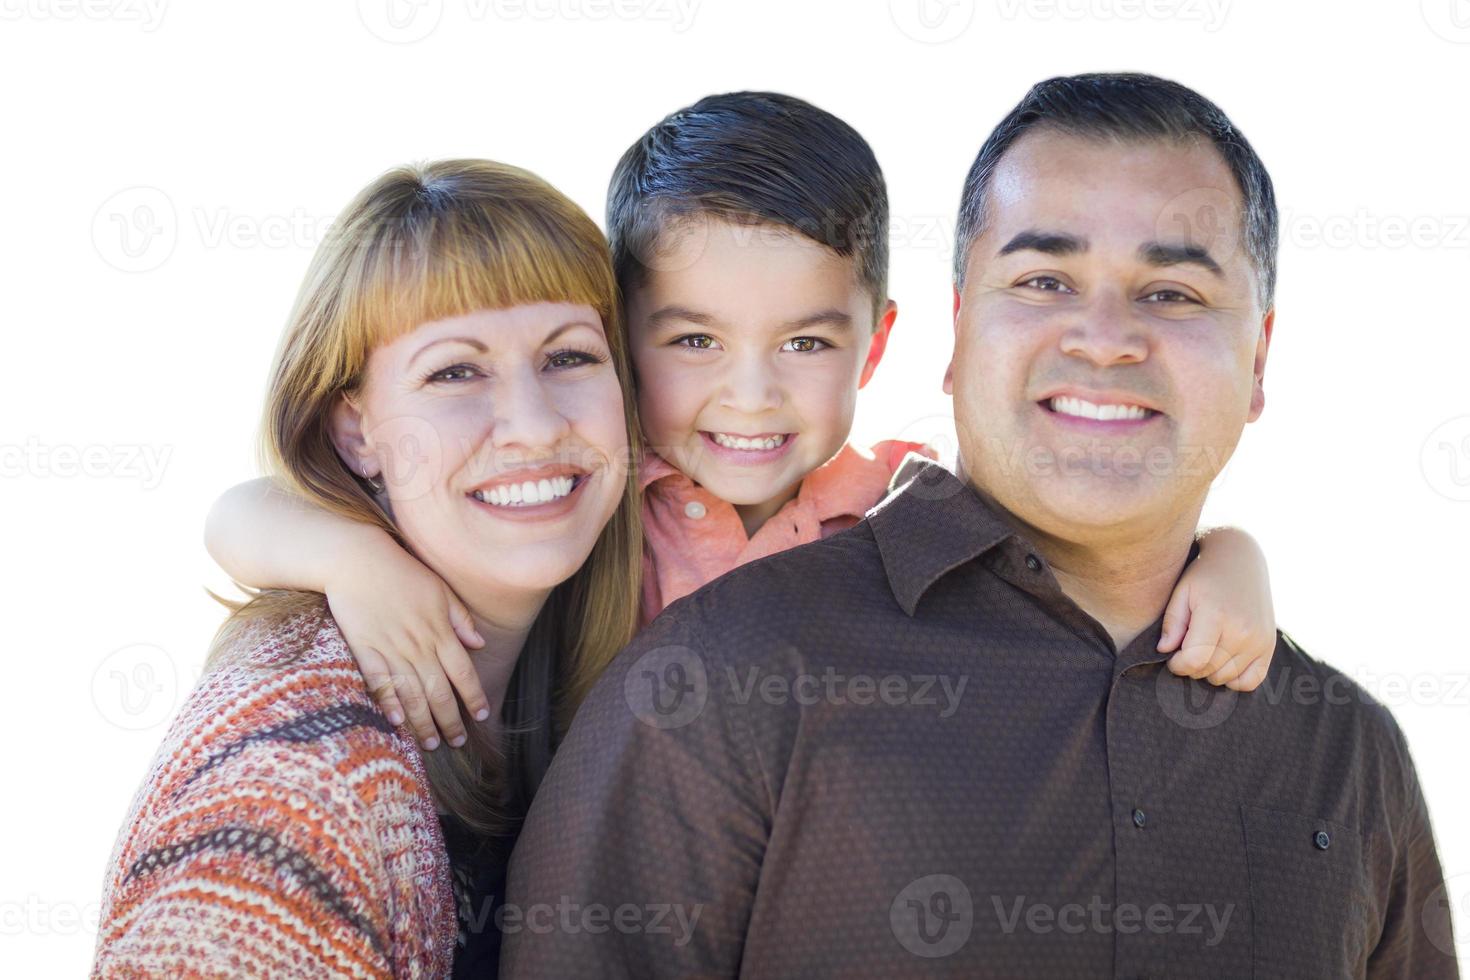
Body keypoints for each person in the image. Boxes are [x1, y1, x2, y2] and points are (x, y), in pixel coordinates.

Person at [500, 74, 1459, 978]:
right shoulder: (715, 670)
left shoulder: (1348, 753)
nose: (1104, 334)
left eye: (1172, 293)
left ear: (1259, 359)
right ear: (956, 336)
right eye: (1044, 280)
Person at [202, 92, 1280, 757]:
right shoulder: (591, 499)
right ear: (622, 341)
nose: (752, 397)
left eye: (806, 345)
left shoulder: (903, 504)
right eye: (694, 342)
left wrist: (1230, 556)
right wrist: (354, 560)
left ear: (876, 341)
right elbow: (239, 514)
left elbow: (1083, 558)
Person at [92, 159, 644, 978]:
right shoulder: (289, 794)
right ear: (355, 432)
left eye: (569, 357)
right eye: (454, 371)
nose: (532, 424)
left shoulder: (618, 647)